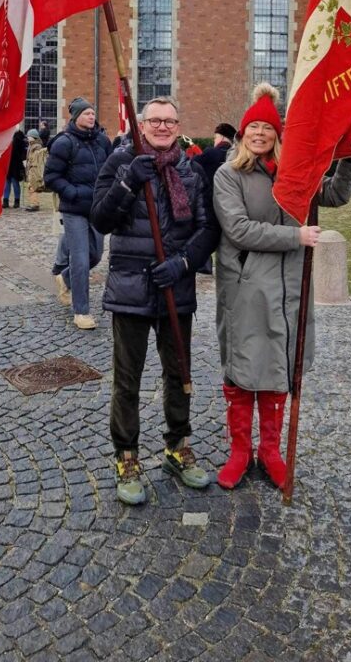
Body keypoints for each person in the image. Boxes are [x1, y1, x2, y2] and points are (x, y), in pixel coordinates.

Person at [212, 83, 351, 491]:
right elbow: (239, 229)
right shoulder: (228, 175)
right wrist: (294, 238)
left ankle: (271, 452)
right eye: (253, 128)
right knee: (244, 369)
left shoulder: (294, 174)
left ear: (278, 134)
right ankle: (240, 452)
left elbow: (333, 194)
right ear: (242, 134)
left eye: (267, 127)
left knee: (281, 368)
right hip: (246, 289)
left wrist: (349, 159)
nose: (259, 133)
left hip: (289, 288)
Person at [91, 95, 219, 506]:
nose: (162, 127)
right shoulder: (120, 162)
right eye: (155, 121)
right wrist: (129, 181)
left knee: (178, 373)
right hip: (130, 287)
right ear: (141, 126)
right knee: (127, 379)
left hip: (174, 289)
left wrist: (183, 263)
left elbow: (207, 229)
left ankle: (177, 447)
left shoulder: (192, 170)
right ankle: (126, 456)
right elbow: (101, 219)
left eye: (170, 121)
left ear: (179, 127)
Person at [44, 98, 111, 329]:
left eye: (93, 113)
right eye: (86, 113)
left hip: (98, 207)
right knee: (80, 258)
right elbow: (51, 177)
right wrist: (71, 192)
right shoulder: (64, 142)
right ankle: (81, 311)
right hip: (74, 209)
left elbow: (111, 169)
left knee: (96, 256)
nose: (91, 117)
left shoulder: (102, 140)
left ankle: (65, 277)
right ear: (75, 117)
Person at [2, 129, 27, 208]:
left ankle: (17, 200)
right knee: (7, 183)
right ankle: (5, 200)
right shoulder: (6, 138)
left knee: (15, 182)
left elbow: (23, 153)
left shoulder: (19, 138)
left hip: (16, 165)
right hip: (7, 164)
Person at [24, 129, 46, 211]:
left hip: (34, 169)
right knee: (30, 187)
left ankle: (35, 204)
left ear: (34, 137)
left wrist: (30, 163)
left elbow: (37, 159)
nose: (28, 138)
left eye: (29, 136)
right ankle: (33, 203)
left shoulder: (37, 147)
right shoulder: (31, 145)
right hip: (31, 168)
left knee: (33, 187)